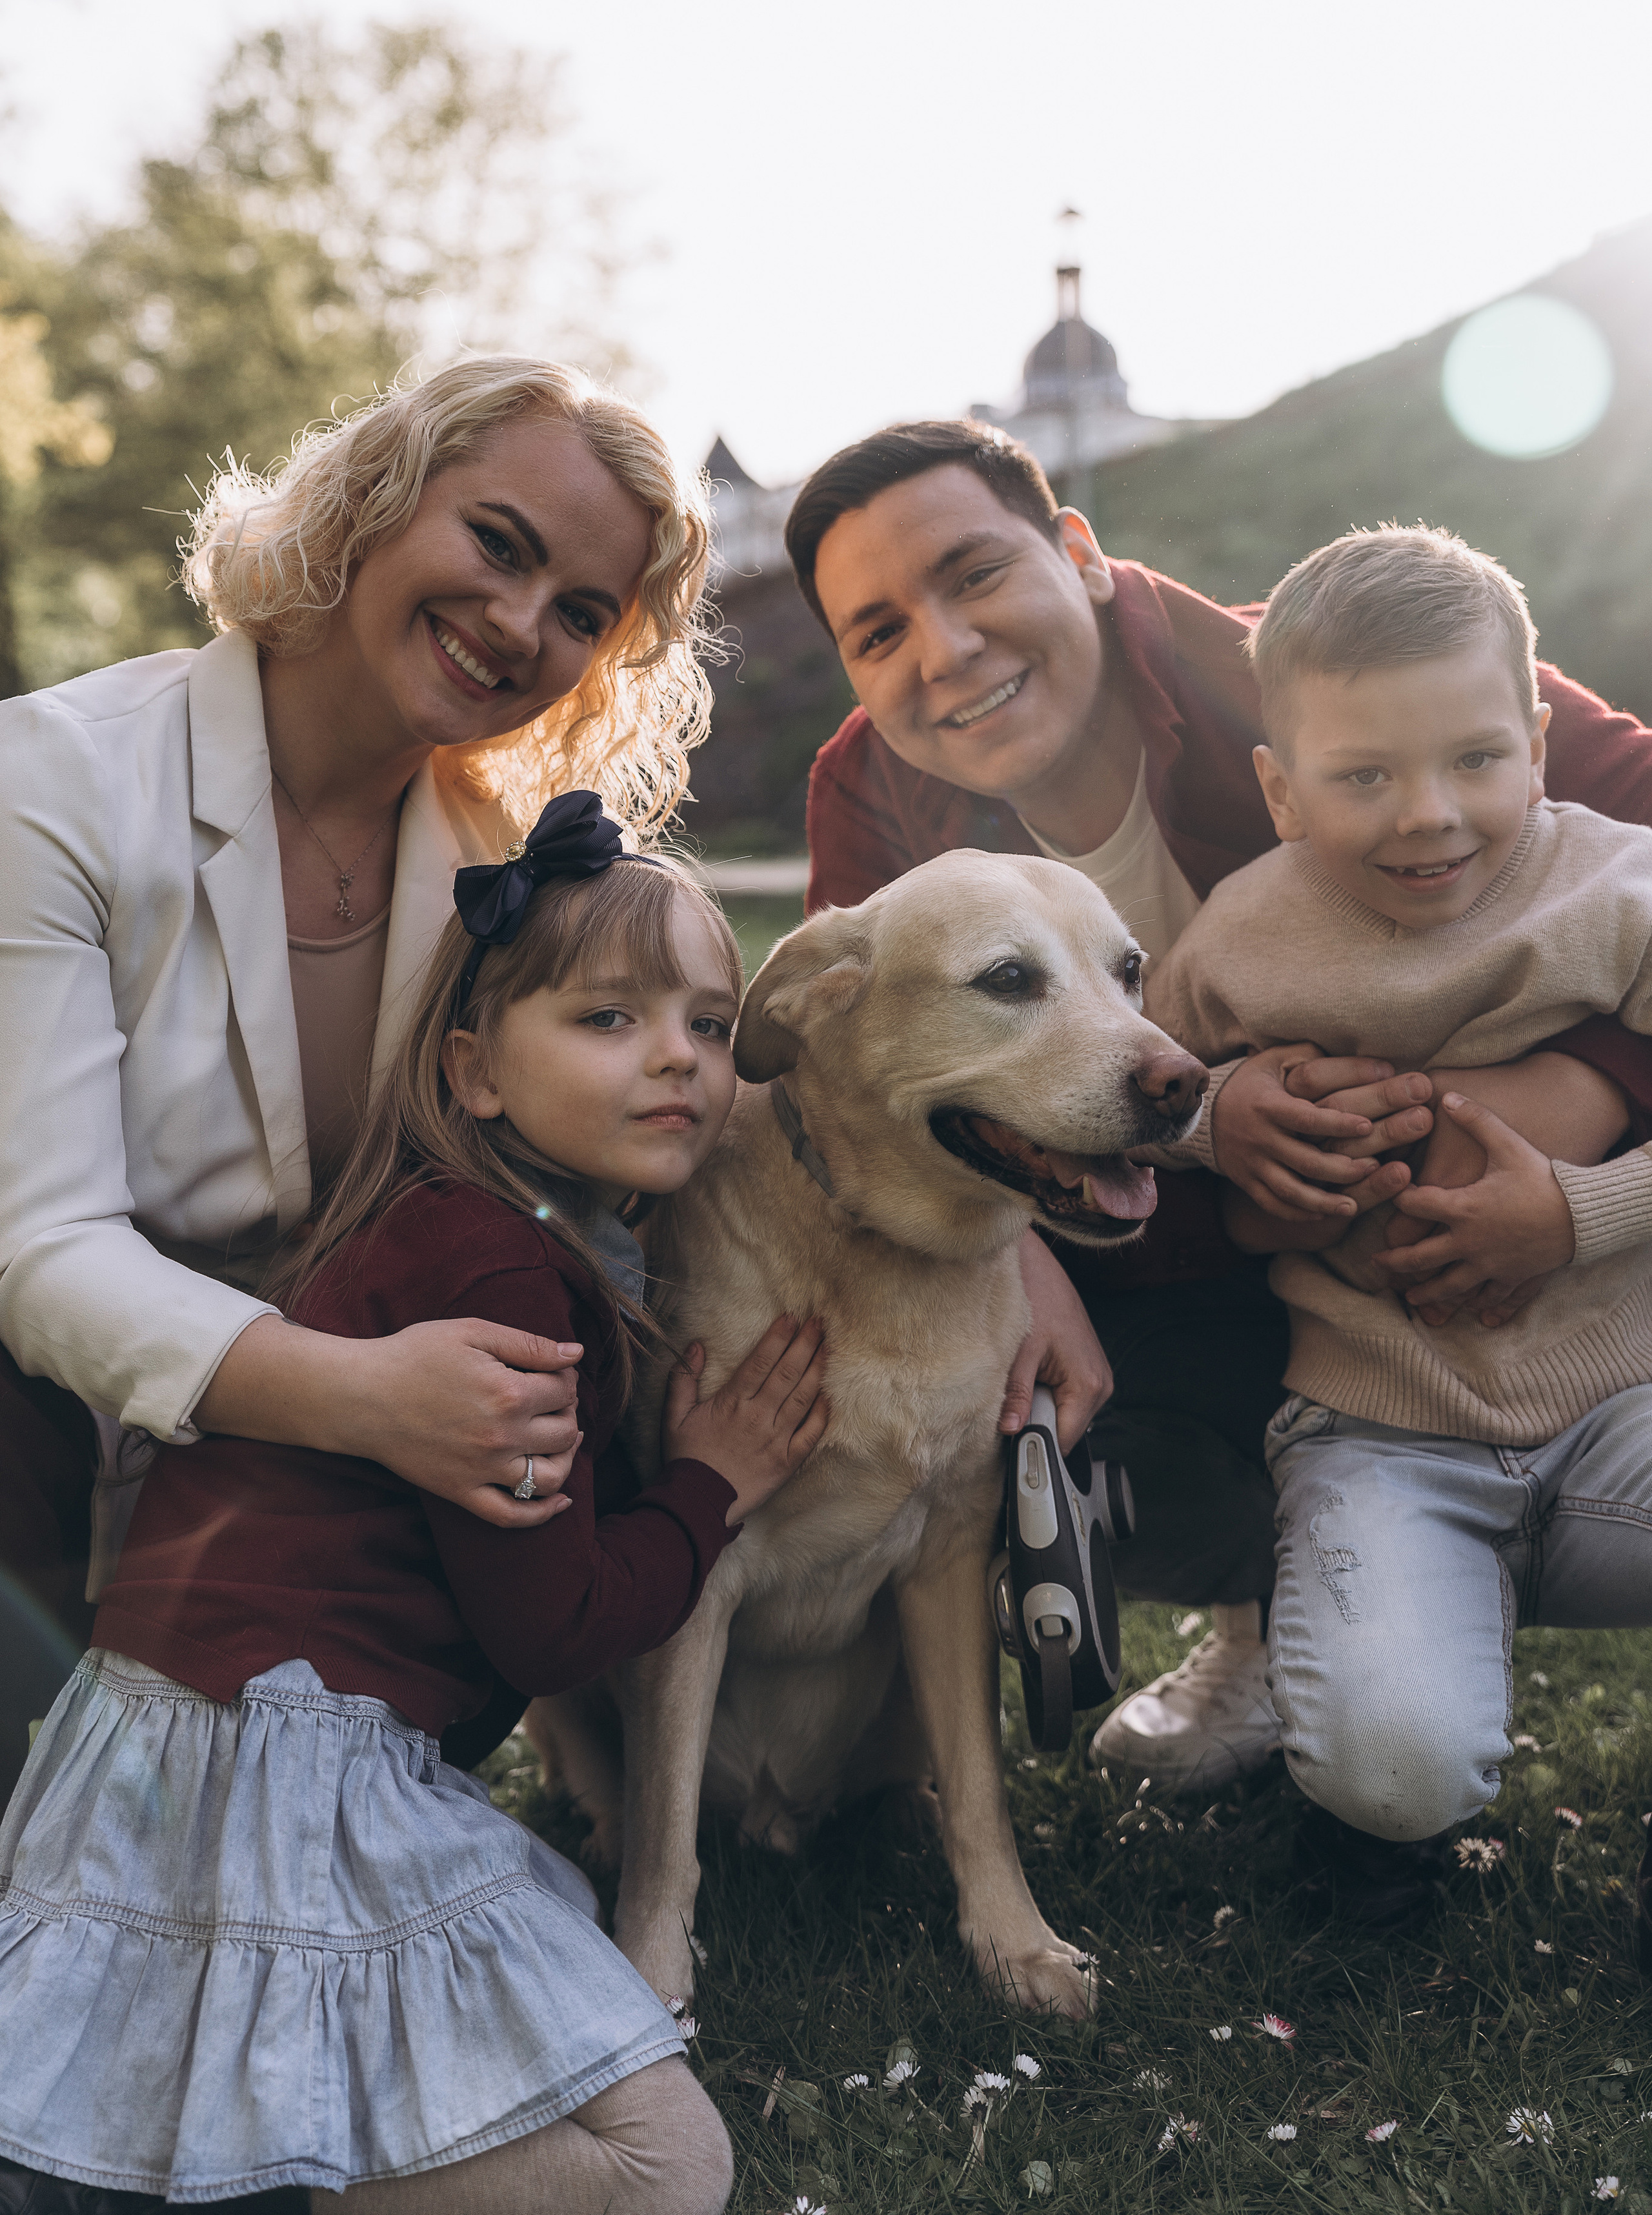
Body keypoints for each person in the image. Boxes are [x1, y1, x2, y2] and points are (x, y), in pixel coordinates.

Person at [789, 418, 1652, 1792]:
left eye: (973, 575)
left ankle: (1403, 1580)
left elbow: (1620, 850)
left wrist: (1583, 1091)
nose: (941, 650)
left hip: (1518, 1267)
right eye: (875, 631)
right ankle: (1284, 1614)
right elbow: (865, 1086)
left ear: (1075, 552)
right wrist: (1017, 1254)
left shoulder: (1337, 678)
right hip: (1175, 1245)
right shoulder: (877, 798)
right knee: (1023, 1402)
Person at [0, 805, 831, 2209]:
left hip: (158, 1750)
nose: (679, 1057)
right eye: (610, 1018)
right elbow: (556, 1629)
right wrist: (712, 1486)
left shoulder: (444, 1224)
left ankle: (186, 2152)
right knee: (666, 2170)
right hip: (283, 1775)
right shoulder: (505, 1285)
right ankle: (255, 2185)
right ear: (476, 1070)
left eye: (707, 1022)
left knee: (536, 1931)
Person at [0, 355, 714, 1797]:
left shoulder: (507, 868)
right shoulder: (54, 782)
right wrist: (365, 1397)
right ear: (371, 501)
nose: (518, 626)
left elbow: (685, 1082)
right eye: (496, 546)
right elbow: (44, 1251)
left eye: (582, 612)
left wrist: (1019, 1266)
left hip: (324, 1502)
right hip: (49, 1421)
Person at [1145, 527, 1652, 1943]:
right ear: (1278, 788)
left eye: (1473, 760)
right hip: (1383, 1430)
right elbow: (1147, 1102)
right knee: (1392, 1759)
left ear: (1539, 740)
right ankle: (1377, 1837)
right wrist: (1233, 1112)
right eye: (1362, 775)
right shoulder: (1241, 936)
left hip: (1623, 1409)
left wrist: (1579, 1209)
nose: (1425, 814)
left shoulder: (1619, 889)